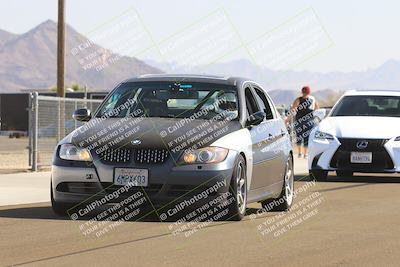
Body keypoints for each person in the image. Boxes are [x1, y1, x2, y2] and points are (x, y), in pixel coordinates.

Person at [286, 86, 319, 158]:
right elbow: (317, 108)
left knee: (299, 136)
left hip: (299, 121)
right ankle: (305, 154)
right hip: (309, 121)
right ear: (309, 92)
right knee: (307, 137)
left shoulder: (298, 100)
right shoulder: (312, 99)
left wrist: (287, 119)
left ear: (302, 92)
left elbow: (293, 110)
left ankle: (300, 153)